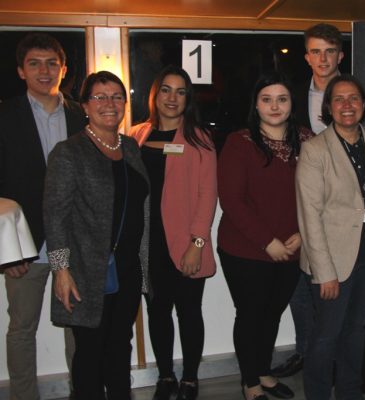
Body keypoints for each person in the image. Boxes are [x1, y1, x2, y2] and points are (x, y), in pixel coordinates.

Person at [296, 74, 365, 400]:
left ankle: (349, 393)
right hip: (332, 261)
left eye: (353, 98)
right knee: (326, 337)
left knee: (355, 333)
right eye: (339, 99)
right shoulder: (315, 150)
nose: (347, 105)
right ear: (328, 107)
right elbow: (309, 216)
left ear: (363, 104)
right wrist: (324, 273)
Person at [44, 71, 149, 400]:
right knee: (89, 352)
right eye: (100, 97)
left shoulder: (130, 147)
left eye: (117, 96)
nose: (109, 103)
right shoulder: (68, 152)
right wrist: (61, 271)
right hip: (87, 273)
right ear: (85, 106)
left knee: (120, 346)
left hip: (128, 268)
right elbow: (55, 215)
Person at [0, 33, 86, 400]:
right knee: (22, 327)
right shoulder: (4, 115)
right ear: (21, 70)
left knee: (77, 325)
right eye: (34, 63)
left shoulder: (81, 115)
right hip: (27, 244)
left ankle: (81, 391)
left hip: (73, 239)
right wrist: (8, 250)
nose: (44, 70)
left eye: (52, 63)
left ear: (63, 69)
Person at [217, 71, 313, 400]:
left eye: (282, 99)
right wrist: (266, 241)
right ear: (256, 105)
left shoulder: (308, 139)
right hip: (244, 248)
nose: (275, 106)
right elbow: (232, 200)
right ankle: (250, 382)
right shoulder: (239, 142)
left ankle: (264, 371)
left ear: (291, 104)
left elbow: (320, 195)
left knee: (272, 314)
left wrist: (302, 234)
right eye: (267, 99)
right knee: (250, 315)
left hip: (293, 246)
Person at [130, 65, 217, 400]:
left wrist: (197, 243)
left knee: (190, 312)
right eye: (166, 89)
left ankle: (191, 378)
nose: (172, 98)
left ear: (188, 98)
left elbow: (207, 195)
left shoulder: (199, 138)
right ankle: (165, 375)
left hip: (186, 243)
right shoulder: (137, 135)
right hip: (147, 244)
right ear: (155, 94)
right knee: (157, 311)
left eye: (180, 92)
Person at [272, 22, 345, 379]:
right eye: (316, 51)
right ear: (306, 56)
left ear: (340, 55)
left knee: (335, 291)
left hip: (344, 207)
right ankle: (305, 352)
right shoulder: (294, 95)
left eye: (329, 51)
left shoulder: (354, 93)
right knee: (299, 290)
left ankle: (331, 360)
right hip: (302, 201)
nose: (323, 58)